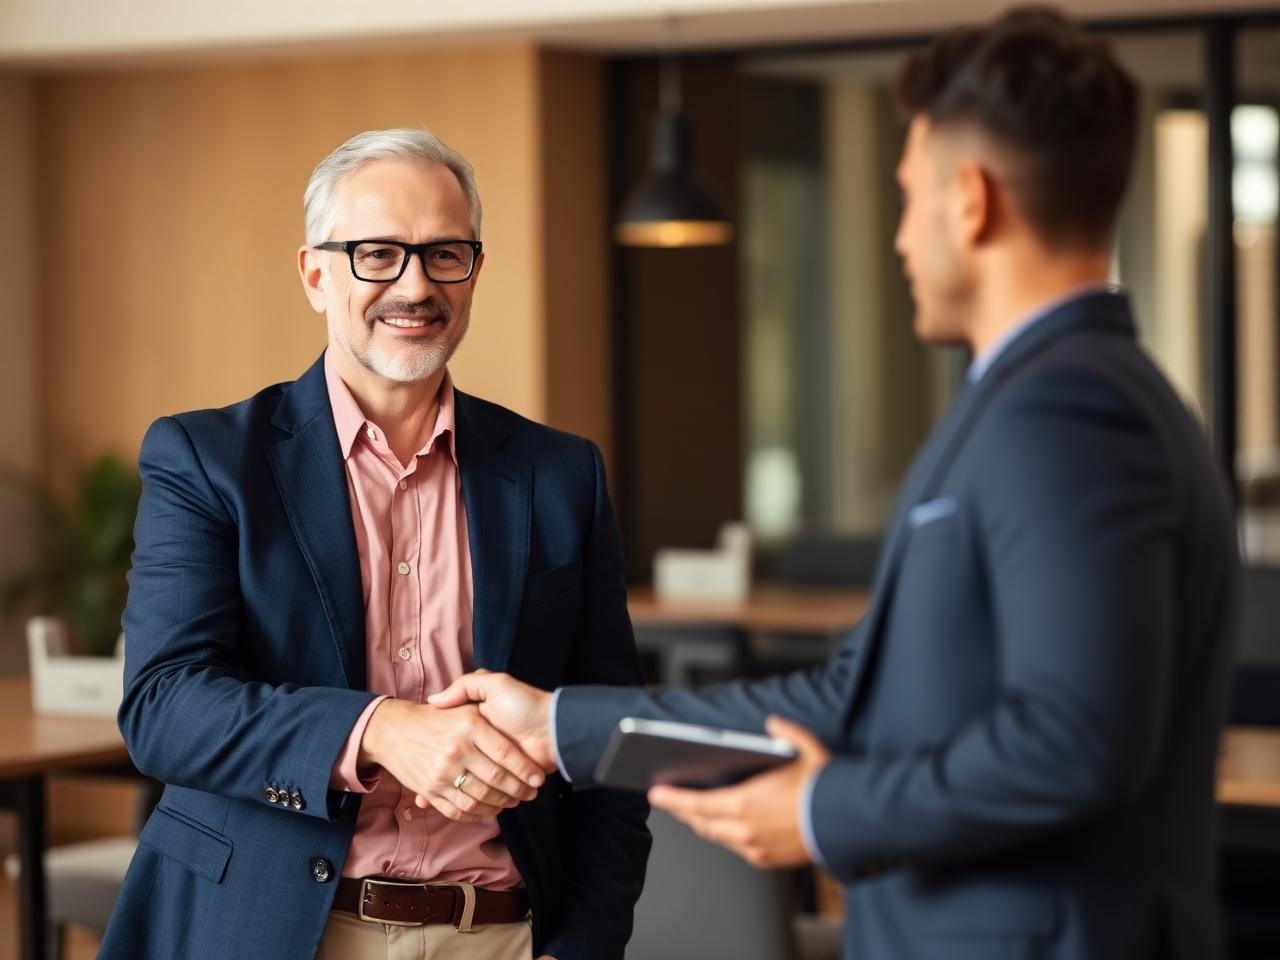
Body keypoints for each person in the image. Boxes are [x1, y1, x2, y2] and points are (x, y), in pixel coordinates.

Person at [428, 8, 1239, 959]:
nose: (899, 239)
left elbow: (1071, 743)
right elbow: (861, 696)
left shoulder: (1067, 414)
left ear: (970, 201)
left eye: (907, 197)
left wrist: (822, 812)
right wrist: (564, 722)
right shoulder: (1044, 399)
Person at [101, 128, 650, 960]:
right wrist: (378, 729)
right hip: (274, 931)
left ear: (475, 268)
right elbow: (164, 706)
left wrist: (586, 945)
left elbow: (608, 737)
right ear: (315, 273)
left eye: (444, 254)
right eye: (377, 254)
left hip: (502, 936)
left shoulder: (561, 473)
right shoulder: (208, 460)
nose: (416, 284)